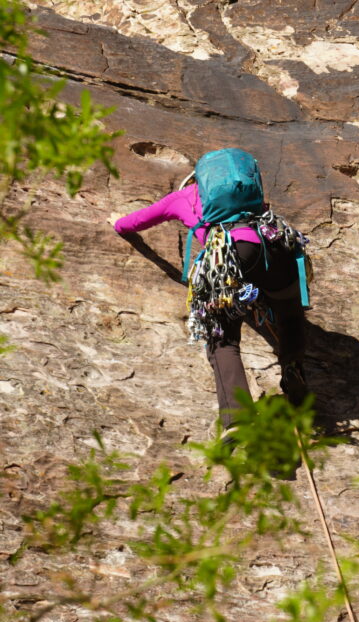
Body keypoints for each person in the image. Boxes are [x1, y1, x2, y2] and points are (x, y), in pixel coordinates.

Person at [111, 170, 308, 432]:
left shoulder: (182, 197)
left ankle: (238, 420)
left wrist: (116, 222)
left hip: (233, 256)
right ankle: (293, 369)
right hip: (273, 248)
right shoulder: (246, 194)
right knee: (291, 317)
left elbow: (136, 221)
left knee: (223, 340)